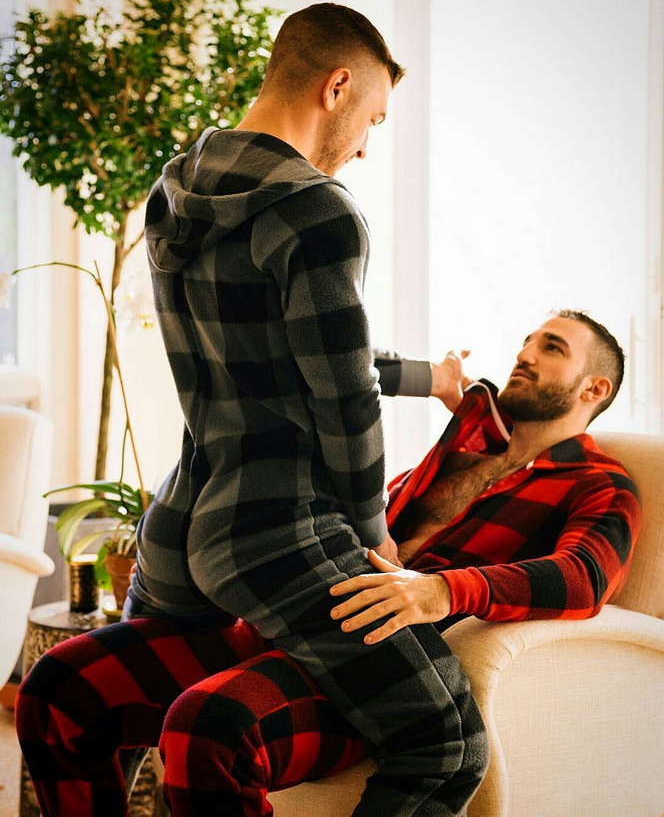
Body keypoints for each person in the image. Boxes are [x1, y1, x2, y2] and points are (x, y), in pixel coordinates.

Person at [17, 3, 488, 817]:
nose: (365, 145)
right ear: (336, 87)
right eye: (372, 118)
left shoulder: (176, 189)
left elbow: (286, 352)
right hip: (279, 531)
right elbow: (341, 394)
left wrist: (430, 377)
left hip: (183, 526)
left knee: (78, 698)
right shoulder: (316, 210)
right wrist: (371, 529)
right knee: (446, 745)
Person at [16, 311, 640, 817]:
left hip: (376, 666)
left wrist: (438, 592)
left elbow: (584, 576)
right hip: (294, 619)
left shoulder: (598, 483)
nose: (525, 353)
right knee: (59, 687)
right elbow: (338, 371)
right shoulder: (456, 457)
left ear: (595, 389)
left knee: (210, 723)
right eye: (527, 339)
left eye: (552, 347)